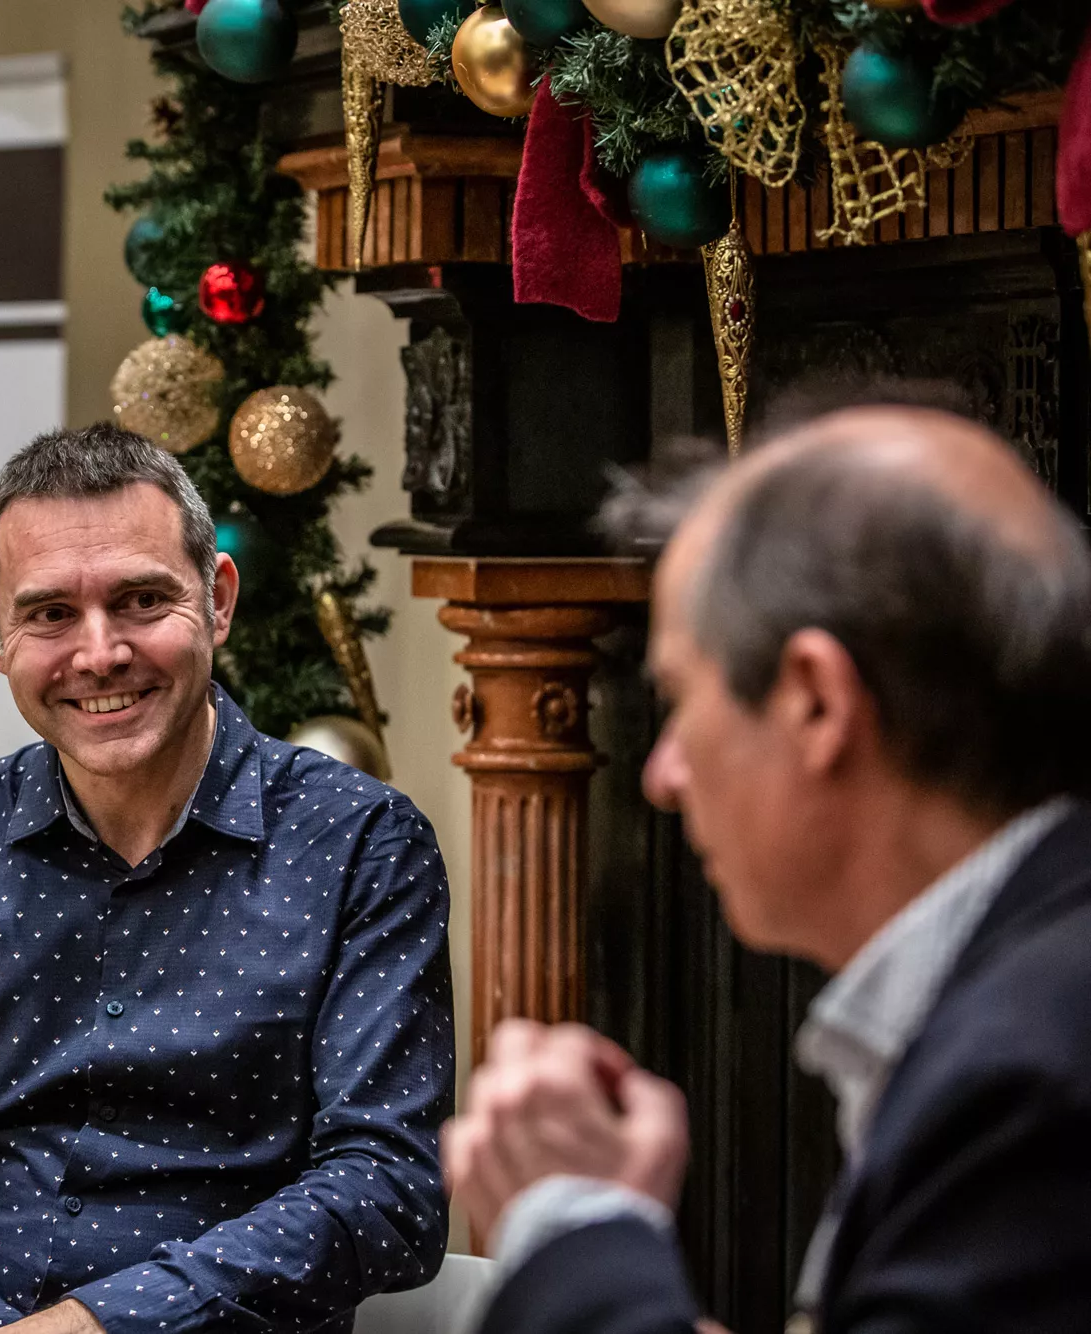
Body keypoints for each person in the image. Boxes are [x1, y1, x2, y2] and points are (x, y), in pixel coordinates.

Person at [444, 404, 1091, 1333]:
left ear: (816, 703)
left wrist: (572, 1228)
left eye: (680, 698)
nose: (663, 776)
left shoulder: (1033, 1083)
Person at [0, 424, 454, 1334]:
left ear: (217, 600)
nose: (100, 652)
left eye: (142, 599)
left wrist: (97, 1326)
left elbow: (388, 1191)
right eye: (50, 614)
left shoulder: (361, 847)